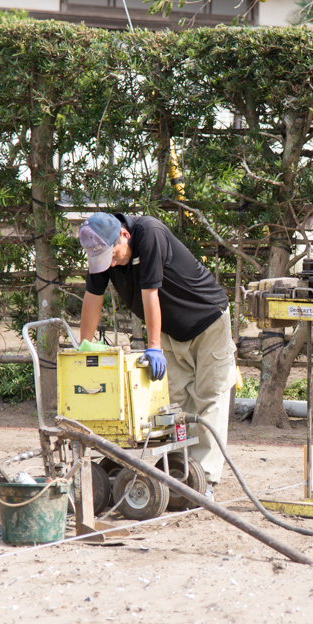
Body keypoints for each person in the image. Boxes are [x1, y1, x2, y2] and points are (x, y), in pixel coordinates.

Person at [77, 212, 236, 500]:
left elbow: (151, 293)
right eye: (104, 261)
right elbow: (92, 296)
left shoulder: (149, 233)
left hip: (206, 319)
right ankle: (179, 473)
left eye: (114, 256)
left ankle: (204, 482)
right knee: (174, 401)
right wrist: (83, 349)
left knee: (209, 396)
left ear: (124, 236)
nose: (110, 264)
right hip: (169, 328)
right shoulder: (102, 248)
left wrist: (153, 346)